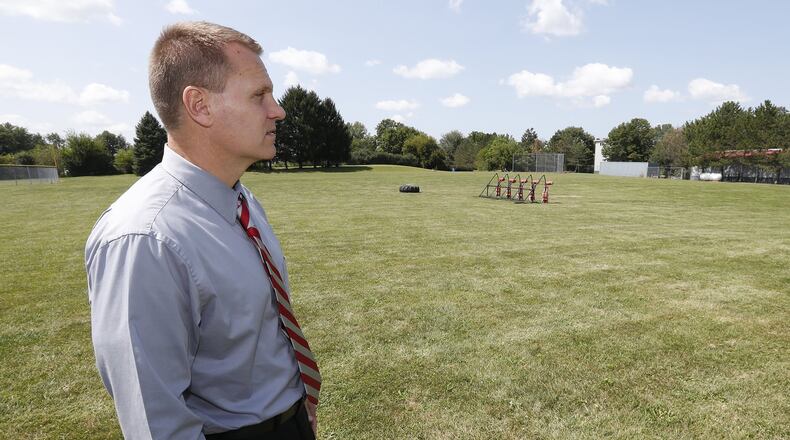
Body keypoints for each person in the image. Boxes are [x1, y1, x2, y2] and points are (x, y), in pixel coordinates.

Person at [85, 21, 320, 439]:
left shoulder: (241, 200)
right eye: (259, 95)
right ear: (199, 105)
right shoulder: (145, 238)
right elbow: (155, 418)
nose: (278, 110)